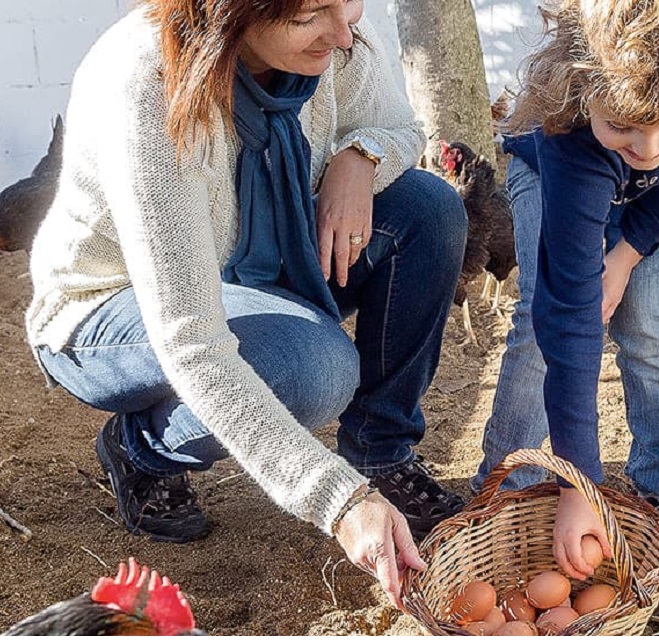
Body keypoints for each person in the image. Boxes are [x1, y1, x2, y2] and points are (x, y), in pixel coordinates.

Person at [23, 0, 468, 606]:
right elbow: (193, 341)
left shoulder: (335, 43)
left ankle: (381, 455)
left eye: (349, 3)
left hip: (253, 274)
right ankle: (138, 450)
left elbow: (398, 125)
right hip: (108, 308)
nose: (343, 34)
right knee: (312, 370)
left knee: (428, 209)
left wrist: (357, 157)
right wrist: (338, 501)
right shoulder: (149, 89)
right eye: (313, 13)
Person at [470, 0, 659, 575]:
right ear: (583, 88)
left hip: (651, 202)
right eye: (625, 124)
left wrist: (627, 256)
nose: (649, 146)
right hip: (556, 179)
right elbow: (571, 316)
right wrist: (581, 482)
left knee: (651, 323)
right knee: (540, 323)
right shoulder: (573, 134)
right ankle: (509, 488)